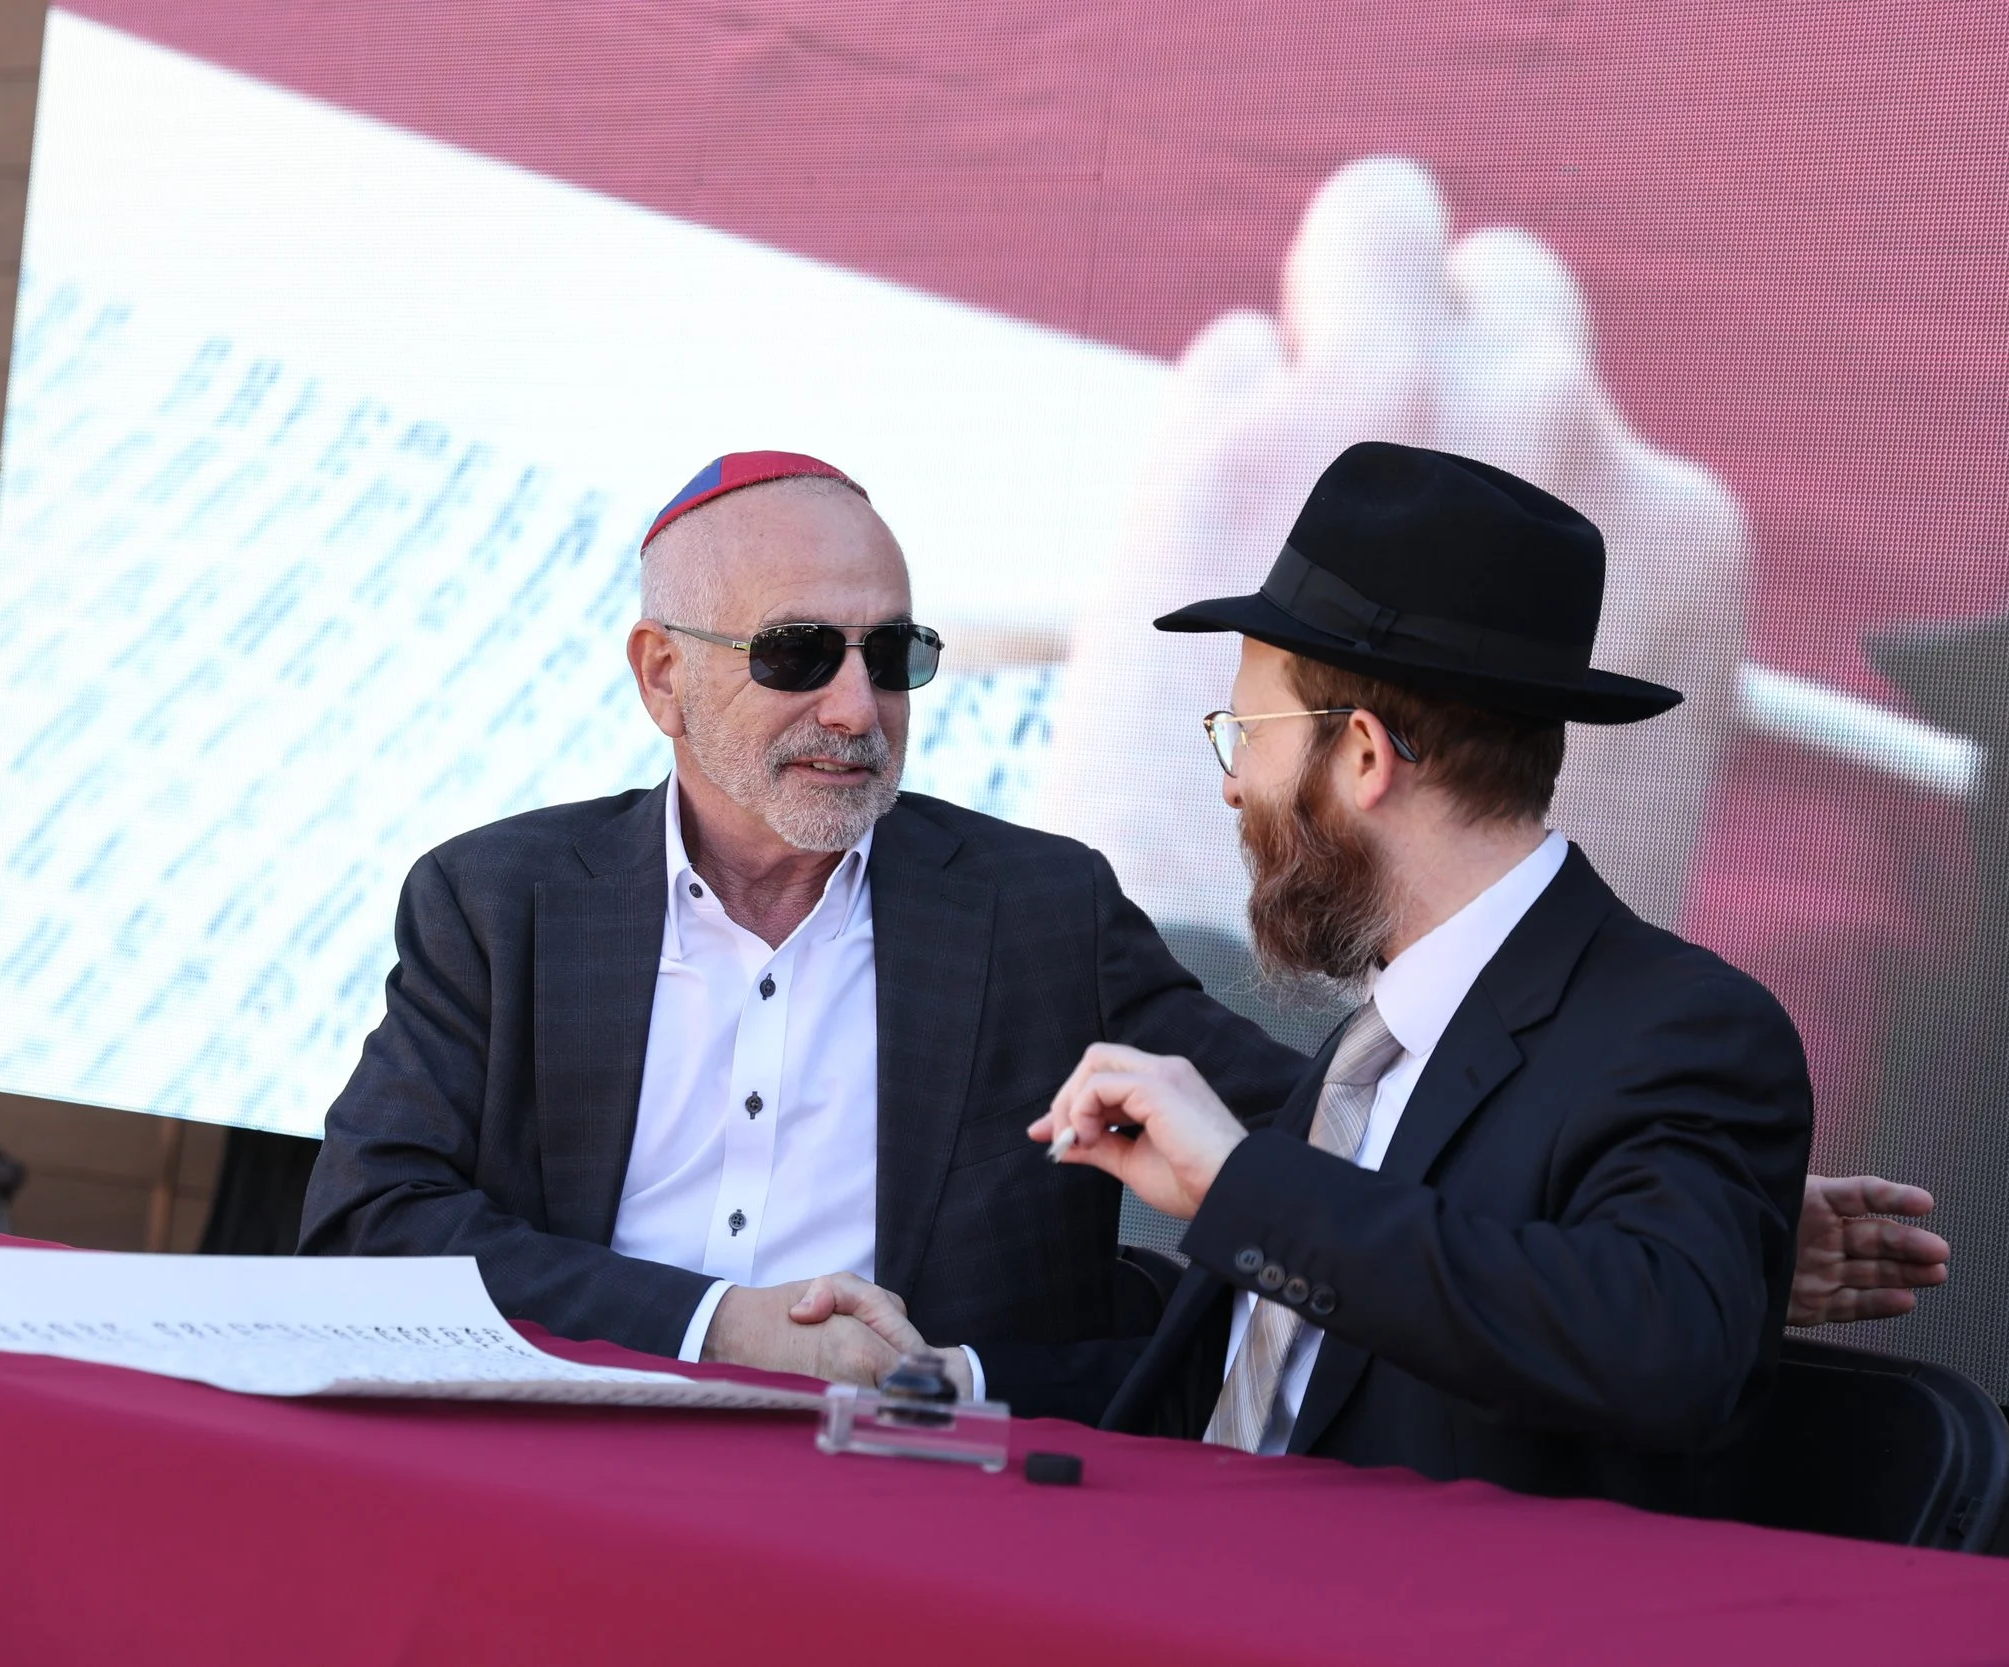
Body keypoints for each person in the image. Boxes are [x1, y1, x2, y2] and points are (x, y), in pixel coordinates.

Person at [298, 451, 1309, 1393]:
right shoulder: (499, 900)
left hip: (915, 1485)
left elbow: (1322, 1147)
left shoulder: (1041, 911)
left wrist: (958, 1377)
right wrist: (715, 1325)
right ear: (663, 674)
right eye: (799, 653)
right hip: (573, 1456)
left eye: (893, 654)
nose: (856, 709)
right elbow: (368, 1223)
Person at [1008, 440, 1817, 1511]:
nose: (1233, 786)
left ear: (1361, 754)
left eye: (1245, 733)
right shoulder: (1371, 1047)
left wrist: (1243, 1184)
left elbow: (1659, 1349)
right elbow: (1249, 1392)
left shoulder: (1684, 1030)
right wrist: (938, 1375)